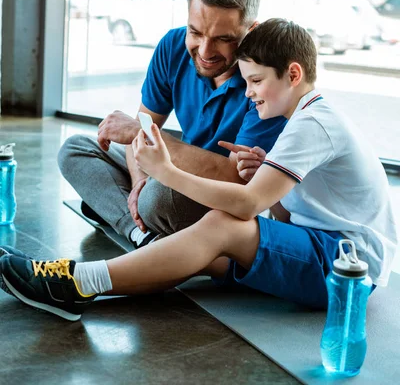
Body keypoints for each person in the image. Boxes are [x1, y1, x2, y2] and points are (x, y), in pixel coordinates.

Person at [0, 18, 397, 321]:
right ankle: (70, 288)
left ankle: (73, 282)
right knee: (191, 251)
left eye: (256, 81)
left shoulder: (314, 122)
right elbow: (283, 214)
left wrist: (167, 171)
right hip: (323, 247)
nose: (249, 92)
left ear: (293, 75)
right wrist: (268, 175)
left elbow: (247, 206)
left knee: (222, 224)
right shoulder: (306, 118)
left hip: (350, 268)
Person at [58, 0, 286, 248]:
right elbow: (139, 131)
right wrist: (139, 177)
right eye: (196, 32)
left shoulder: (265, 77)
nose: (204, 51)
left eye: (223, 39)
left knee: (157, 200)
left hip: (222, 193)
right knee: (76, 148)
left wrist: (148, 145)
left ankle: (119, 210)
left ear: (251, 31)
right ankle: (139, 232)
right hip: (172, 168)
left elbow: (234, 178)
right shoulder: (173, 45)